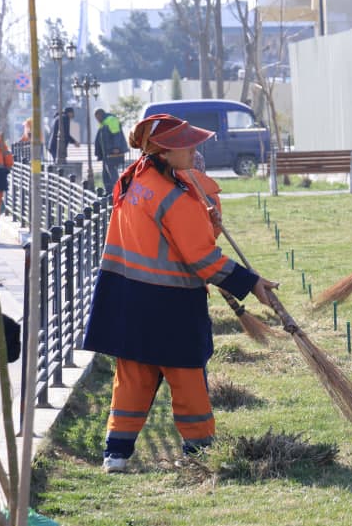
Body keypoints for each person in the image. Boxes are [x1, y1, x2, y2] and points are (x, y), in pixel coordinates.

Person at [82, 114, 278, 473]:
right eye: (187, 144)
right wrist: (251, 283)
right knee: (187, 379)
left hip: (126, 296)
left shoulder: (134, 179)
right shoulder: (175, 198)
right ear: (166, 151)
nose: (194, 149)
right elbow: (203, 259)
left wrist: (206, 222)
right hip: (170, 302)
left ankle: (117, 454)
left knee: (133, 378)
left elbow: (166, 241)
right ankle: (200, 452)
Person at [94, 108, 128, 193]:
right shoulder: (103, 123)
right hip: (107, 153)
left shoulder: (111, 120)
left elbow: (116, 134)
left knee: (111, 171)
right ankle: (109, 192)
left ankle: (118, 190)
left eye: (97, 117)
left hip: (112, 152)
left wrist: (116, 147)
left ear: (100, 115)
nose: (97, 120)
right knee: (106, 173)